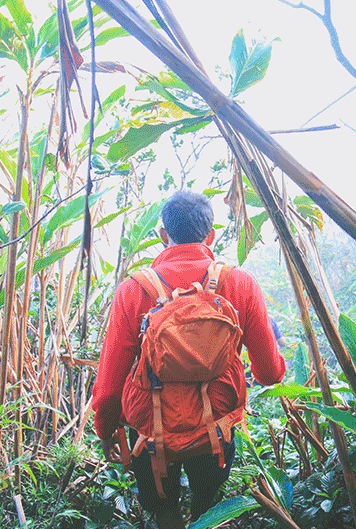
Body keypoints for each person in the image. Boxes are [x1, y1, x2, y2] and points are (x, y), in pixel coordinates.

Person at [92, 190, 287, 529]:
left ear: (163, 235)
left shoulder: (133, 290)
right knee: (206, 504)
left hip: (152, 435)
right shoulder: (240, 284)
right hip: (216, 431)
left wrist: (106, 429)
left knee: (164, 509)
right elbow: (269, 374)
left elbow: (109, 383)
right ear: (210, 235)